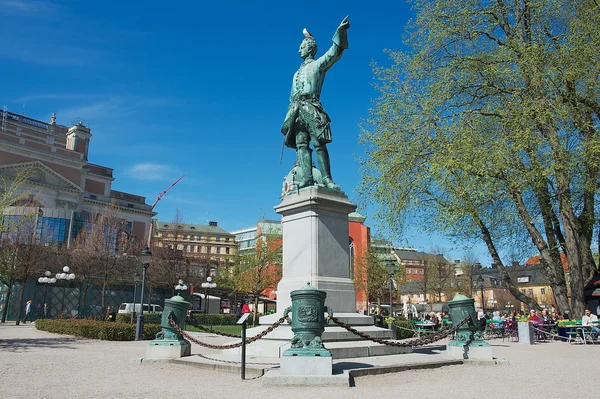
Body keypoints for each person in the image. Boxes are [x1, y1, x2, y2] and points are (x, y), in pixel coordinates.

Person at [281, 16, 350, 190]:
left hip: (312, 107)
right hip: (296, 110)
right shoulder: (295, 74)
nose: (299, 51)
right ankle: (307, 179)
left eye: (301, 47)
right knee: (301, 145)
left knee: (319, 143)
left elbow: (334, 53)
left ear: (310, 49)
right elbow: (291, 97)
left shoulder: (317, 65)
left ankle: (327, 178)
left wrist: (340, 32)